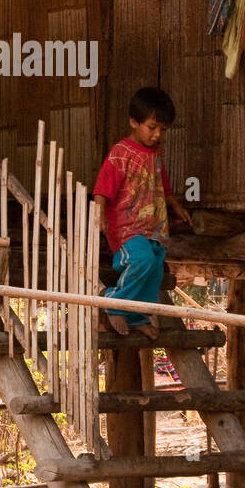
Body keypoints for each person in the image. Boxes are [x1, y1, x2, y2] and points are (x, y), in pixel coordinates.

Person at [93, 86, 190, 336]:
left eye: (163, 130)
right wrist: (100, 213)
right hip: (126, 229)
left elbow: (162, 183)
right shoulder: (120, 153)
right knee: (142, 260)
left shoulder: (155, 152)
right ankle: (113, 303)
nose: (158, 134)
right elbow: (103, 188)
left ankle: (136, 317)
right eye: (152, 127)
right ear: (133, 122)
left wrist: (176, 205)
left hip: (153, 226)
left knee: (155, 270)